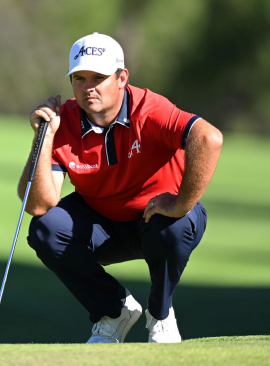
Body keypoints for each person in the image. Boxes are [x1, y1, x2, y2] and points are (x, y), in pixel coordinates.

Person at [18, 32, 223, 343]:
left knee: (176, 224)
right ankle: (114, 312)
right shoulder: (64, 120)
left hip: (158, 222)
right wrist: (43, 138)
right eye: (79, 78)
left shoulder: (150, 109)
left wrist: (181, 203)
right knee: (45, 227)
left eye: (98, 77)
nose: (88, 87)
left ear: (122, 77)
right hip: (102, 228)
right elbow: (38, 205)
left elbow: (209, 138)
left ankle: (161, 314)